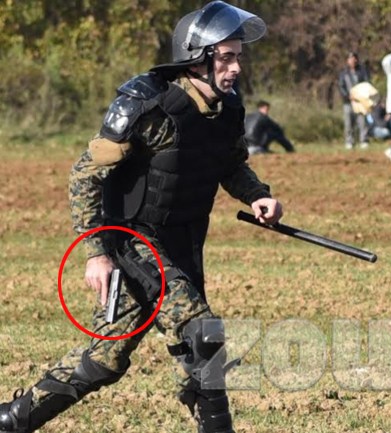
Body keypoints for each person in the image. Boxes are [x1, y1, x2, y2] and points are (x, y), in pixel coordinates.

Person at [0, 3, 284, 432]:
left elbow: (229, 165)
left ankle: (12, 420)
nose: (237, 67)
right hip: (134, 242)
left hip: (182, 243)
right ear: (198, 58)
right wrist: (96, 254)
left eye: (239, 56)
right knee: (201, 331)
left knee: (105, 359)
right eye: (226, 57)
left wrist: (257, 196)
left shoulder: (226, 109)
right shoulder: (150, 107)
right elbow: (84, 177)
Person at [338, 52, 371, 149]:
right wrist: (347, 96)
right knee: (348, 122)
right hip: (348, 102)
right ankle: (349, 141)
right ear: (347, 60)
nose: (353, 61)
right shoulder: (344, 73)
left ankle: (364, 140)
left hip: (360, 101)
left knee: (362, 122)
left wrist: (361, 95)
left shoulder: (362, 71)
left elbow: (367, 83)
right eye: (351, 59)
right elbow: (341, 86)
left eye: (354, 58)